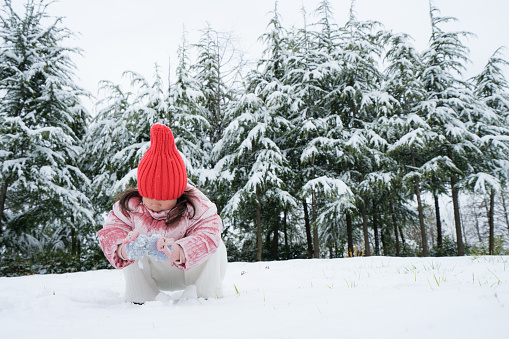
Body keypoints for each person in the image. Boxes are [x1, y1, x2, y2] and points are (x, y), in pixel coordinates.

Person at [98, 123, 227, 303]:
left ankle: (204, 295)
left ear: (178, 193)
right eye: (148, 196)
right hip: (153, 272)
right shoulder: (129, 207)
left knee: (217, 244)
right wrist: (124, 249)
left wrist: (178, 251)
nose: (154, 203)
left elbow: (209, 234)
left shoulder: (197, 207)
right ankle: (140, 297)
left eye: (164, 197)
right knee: (130, 240)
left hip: (189, 270)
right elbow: (110, 232)